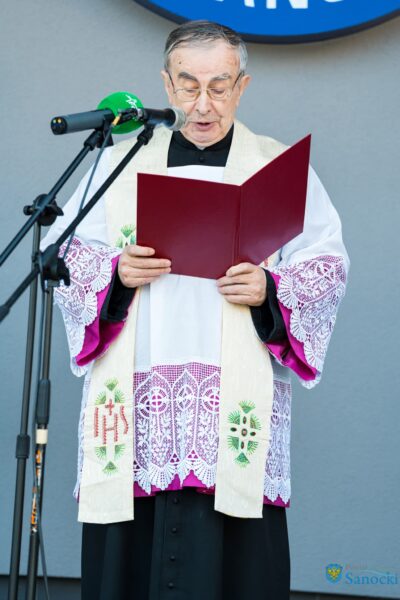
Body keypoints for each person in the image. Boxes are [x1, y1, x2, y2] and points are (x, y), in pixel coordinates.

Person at [41, 20, 349, 600]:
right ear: (166, 84)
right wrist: (116, 275)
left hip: (232, 404)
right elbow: (63, 252)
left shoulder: (277, 167)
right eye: (188, 86)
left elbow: (327, 266)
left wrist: (269, 288)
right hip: (138, 402)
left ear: (242, 86)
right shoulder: (117, 164)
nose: (203, 104)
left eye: (219, 86)